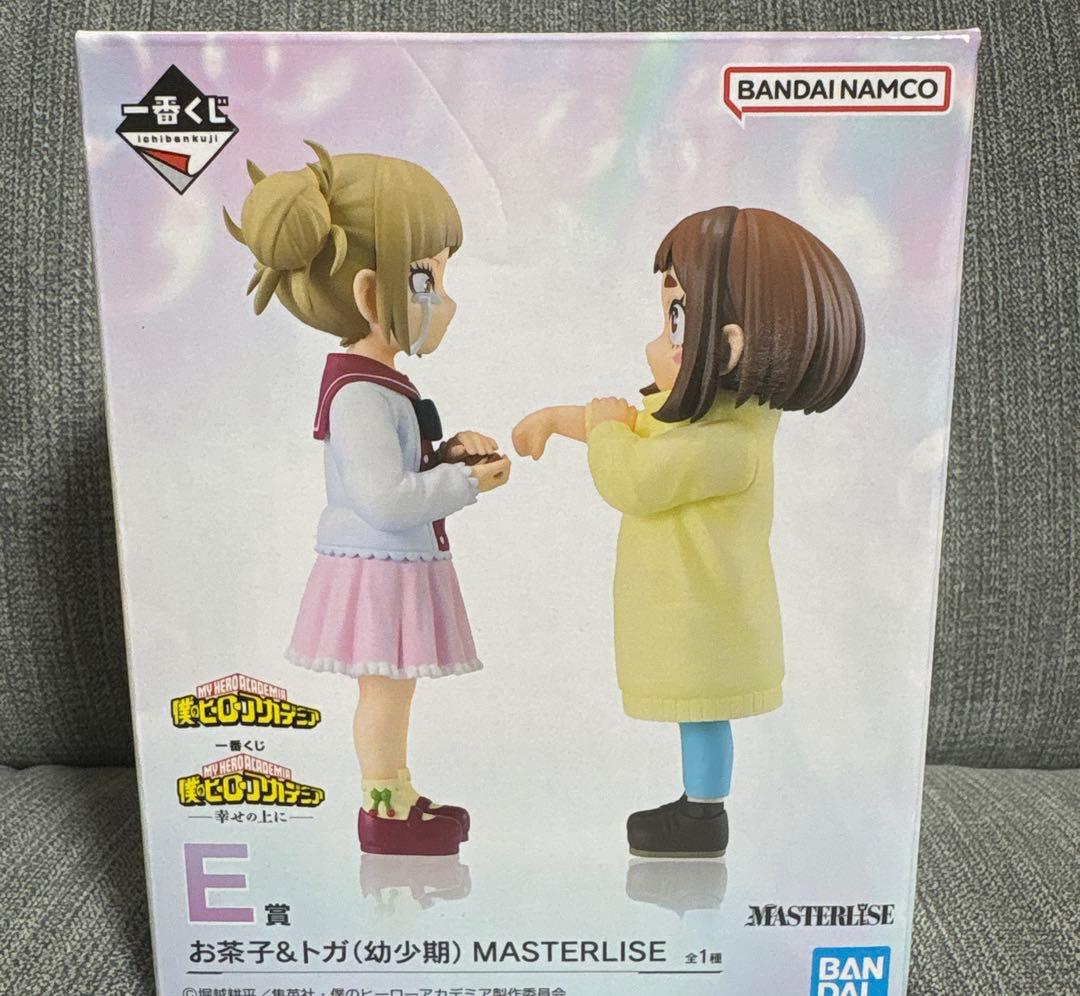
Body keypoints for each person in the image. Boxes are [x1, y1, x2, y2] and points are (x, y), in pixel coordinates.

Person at [513, 206, 863, 858]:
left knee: (703, 715)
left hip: (706, 619)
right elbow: (635, 427)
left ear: (729, 346)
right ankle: (697, 806)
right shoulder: (706, 426)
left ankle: (704, 815)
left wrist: (605, 428)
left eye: (677, 319)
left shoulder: (731, 445)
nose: (659, 339)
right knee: (698, 715)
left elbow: (635, 477)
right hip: (691, 613)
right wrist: (560, 420)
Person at [225, 142, 510, 856]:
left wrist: (447, 455)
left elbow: (396, 473)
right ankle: (383, 813)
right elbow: (384, 498)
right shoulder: (358, 393)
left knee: (393, 690)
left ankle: (398, 798)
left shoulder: (377, 386)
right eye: (427, 278)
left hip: (391, 564)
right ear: (369, 294)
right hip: (380, 568)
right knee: (384, 691)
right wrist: (464, 484)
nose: (442, 299)